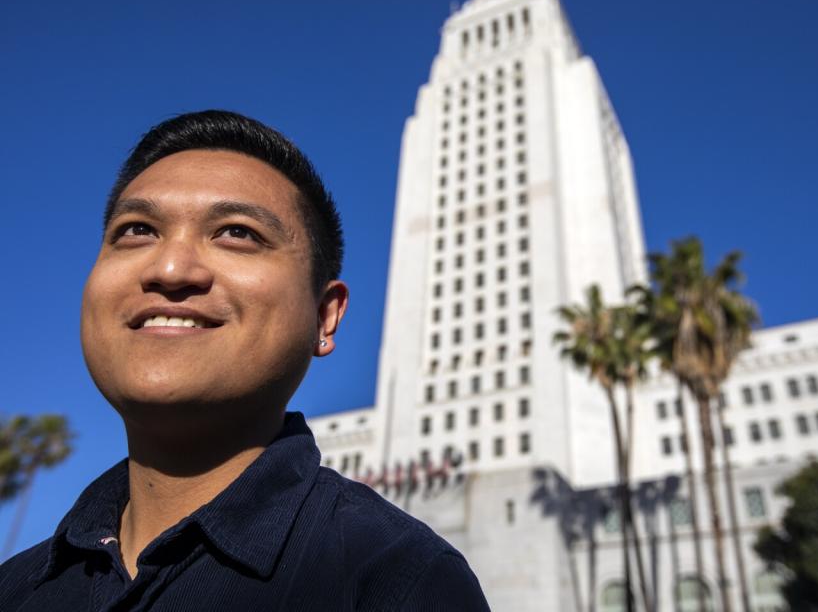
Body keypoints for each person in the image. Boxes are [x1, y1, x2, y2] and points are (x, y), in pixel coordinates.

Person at [0, 111, 490, 611]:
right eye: (138, 230)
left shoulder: (398, 581)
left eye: (237, 233)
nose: (170, 269)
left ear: (324, 317)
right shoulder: (15, 587)